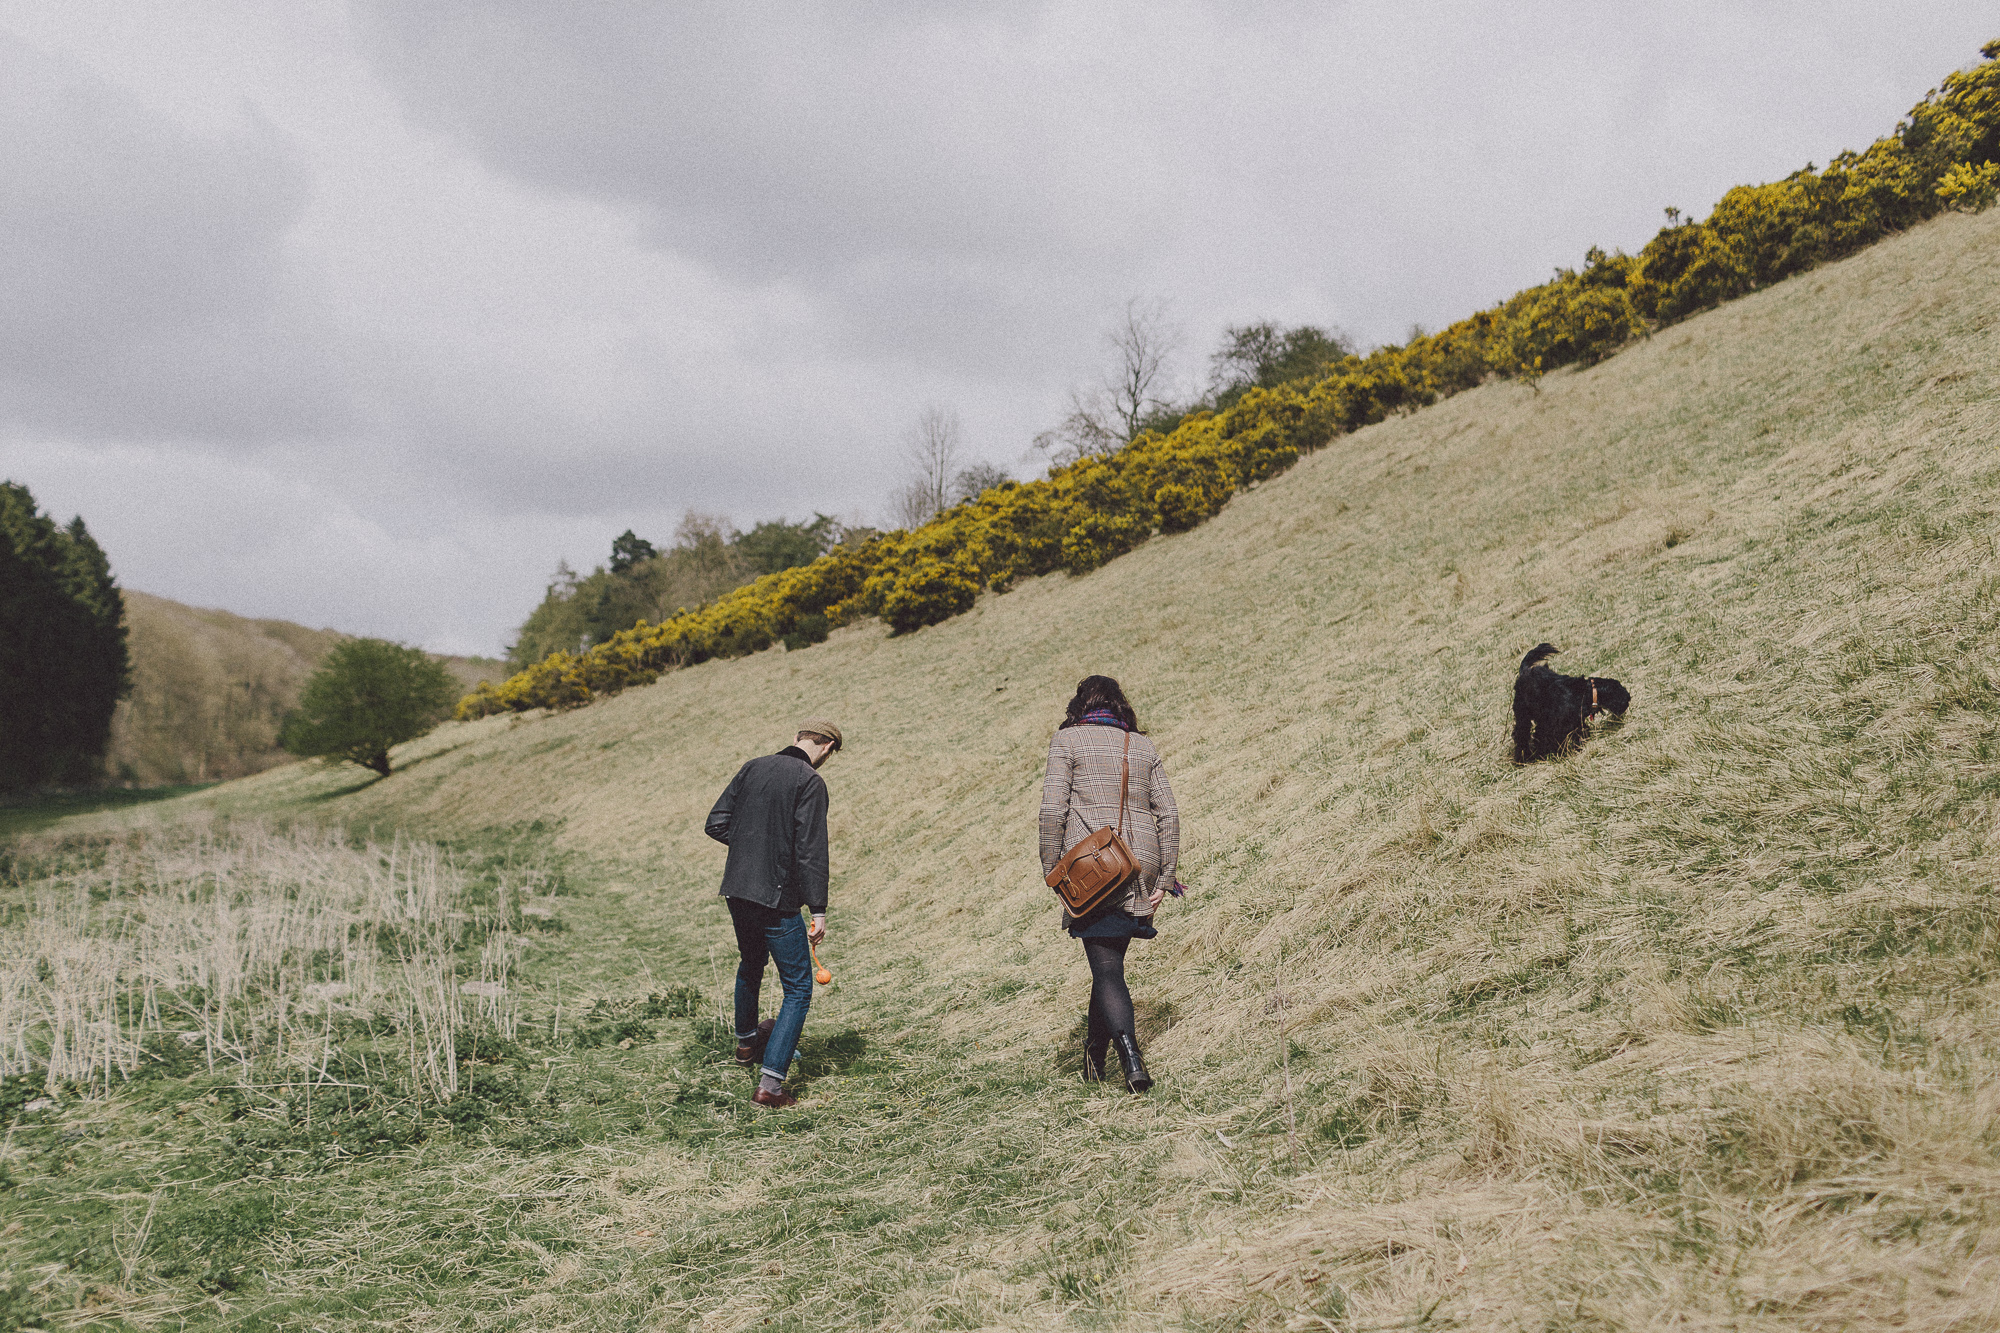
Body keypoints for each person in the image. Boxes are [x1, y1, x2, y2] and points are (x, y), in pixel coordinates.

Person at [1039, 676, 1179, 1093]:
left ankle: (1131, 1059)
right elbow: (1168, 815)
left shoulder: (1068, 741)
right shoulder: (1141, 745)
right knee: (1108, 964)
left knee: (1107, 968)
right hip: (1140, 864)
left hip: (1095, 867)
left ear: (1080, 704)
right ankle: (1093, 1057)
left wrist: (1054, 870)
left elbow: (1051, 811)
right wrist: (1166, 876)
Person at [704, 718, 843, 1107]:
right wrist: (818, 909)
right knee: (798, 988)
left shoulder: (753, 766)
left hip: (737, 889)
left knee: (751, 963)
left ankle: (747, 1045)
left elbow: (716, 824)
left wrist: (750, 847)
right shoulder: (810, 782)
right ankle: (771, 1088)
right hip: (775, 895)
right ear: (827, 748)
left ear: (797, 738)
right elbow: (812, 851)